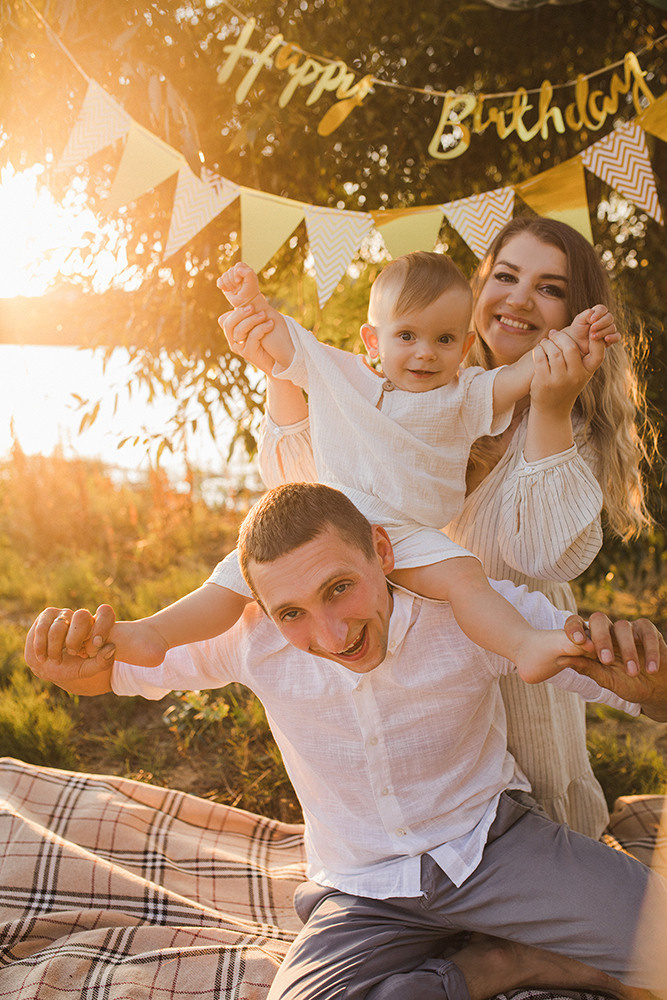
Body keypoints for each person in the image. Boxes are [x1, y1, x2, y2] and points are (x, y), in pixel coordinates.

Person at [24, 483, 667, 1000]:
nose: (332, 634)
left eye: (340, 588)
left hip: (492, 849)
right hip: (362, 889)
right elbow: (114, 673)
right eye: (293, 613)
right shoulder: (249, 635)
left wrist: (648, 676)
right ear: (263, 607)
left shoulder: (475, 614)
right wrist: (66, 666)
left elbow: (634, 689)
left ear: (380, 553)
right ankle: (497, 967)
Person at [239, 217, 655, 840]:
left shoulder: (567, 423)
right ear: (479, 288)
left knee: (536, 817)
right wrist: (282, 373)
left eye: (549, 288)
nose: (518, 297)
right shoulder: (416, 388)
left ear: (574, 314)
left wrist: (549, 404)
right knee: (436, 813)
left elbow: (542, 555)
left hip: (517, 645)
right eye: (506, 276)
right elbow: (306, 487)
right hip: (425, 652)